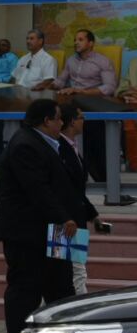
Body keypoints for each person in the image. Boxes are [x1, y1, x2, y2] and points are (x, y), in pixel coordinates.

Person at [0, 98, 81, 333]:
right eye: (58, 118)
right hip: (30, 232)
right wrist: (64, 217)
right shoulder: (25, 145)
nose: (62, 123)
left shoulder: (55, 144)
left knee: (62, 286)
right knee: (25, 288)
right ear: (46, 121)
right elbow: (37, 189)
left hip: (58, 230)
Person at [55, 103, 102, 296]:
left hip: (75, 217)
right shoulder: (60, 147)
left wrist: (93, 215)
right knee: (74, 271)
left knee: (73, 270)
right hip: (66, 221)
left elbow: (77, 188)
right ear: (72, 121)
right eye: (81, 118)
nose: (84, 121)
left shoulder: (72, 147)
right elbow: (65, 188)